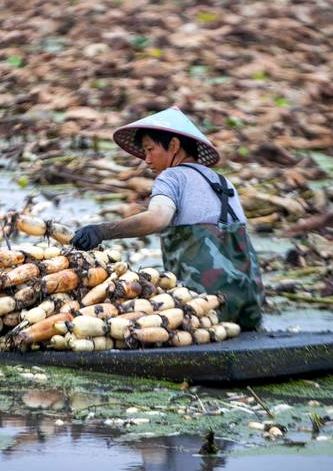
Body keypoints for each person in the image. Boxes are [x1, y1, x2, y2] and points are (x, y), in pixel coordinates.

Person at [71, 106, 264, 329]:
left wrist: (102, 231)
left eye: (150, 149)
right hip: (249, 303)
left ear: (173, 146)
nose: (146, 158)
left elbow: (157, 219)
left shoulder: (171, 177)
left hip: (204, 307)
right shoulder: (224, 182)